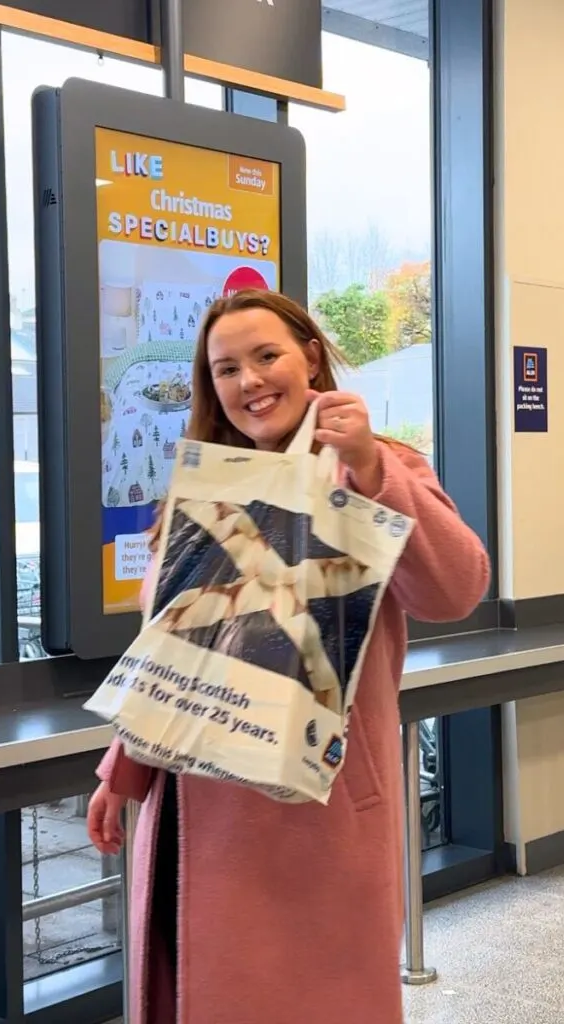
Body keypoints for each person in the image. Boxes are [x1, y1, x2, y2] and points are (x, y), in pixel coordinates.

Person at [87, 289, 490, 1024]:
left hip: (314, 810)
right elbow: (177, 650)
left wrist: (371, 469)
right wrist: (126, 767)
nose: (249, 381)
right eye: (226, 368)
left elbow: (456, 589)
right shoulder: (206, 489)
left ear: (309, 357)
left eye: (266, 356)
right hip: (192, 803)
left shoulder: (376, 467)